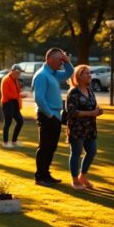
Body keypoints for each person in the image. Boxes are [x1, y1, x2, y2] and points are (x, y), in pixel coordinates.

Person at [32, 48, 74, 186]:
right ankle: (40, 176)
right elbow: (39, 98)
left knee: (51, 146)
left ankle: (46, 174)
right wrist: (50, 114)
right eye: (59, 60)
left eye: (62, 60)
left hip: (55, 115)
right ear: (49, 59)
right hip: (47, 115)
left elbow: (70, 72)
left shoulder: (54, 73)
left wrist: (68, 61)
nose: (61, 63)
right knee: (45, 146)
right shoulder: (42, 75)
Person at [66, 65, 104, 190]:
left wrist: (97, 111)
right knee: (76, 153)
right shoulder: (73, 92)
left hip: (90, 128)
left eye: (89, 73)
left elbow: (92, 106)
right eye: (86, 73)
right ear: (79, 76)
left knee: (92, 151)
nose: (89, 75)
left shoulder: (90, 90)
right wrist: (90, 113)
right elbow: (71, 112)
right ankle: (75, 180)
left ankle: (83, 176)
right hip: (77, 128)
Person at [1, 64, 25, 148]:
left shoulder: (15, 79)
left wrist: (20, 94)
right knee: (8, 122)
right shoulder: (6, 79)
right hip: (7, 103)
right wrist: (18, 95)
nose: (19, 74)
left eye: (19, 73)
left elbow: (17, 91)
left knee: (20, 121)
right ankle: (5, 142)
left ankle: (14, 141)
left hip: (14, 103)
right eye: (17, 72)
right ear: (13, 71)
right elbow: (6, 94)